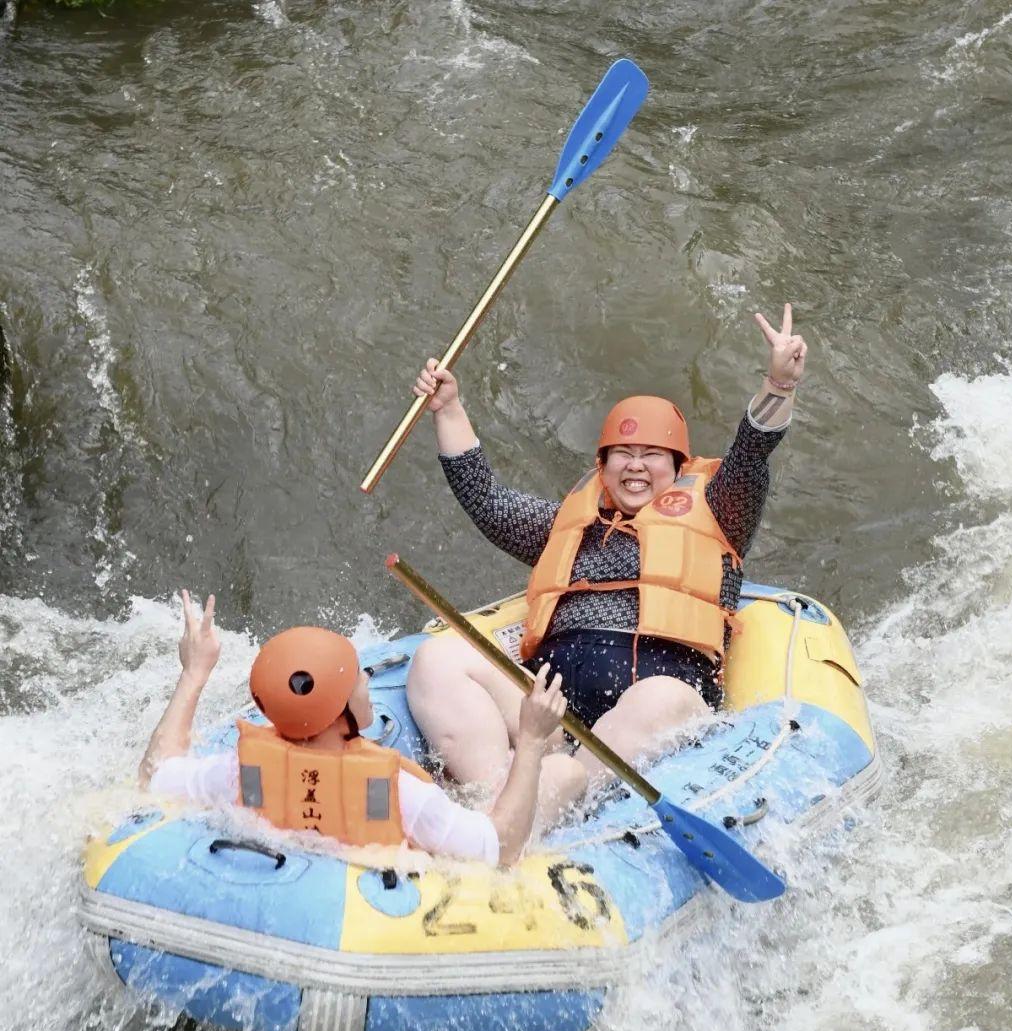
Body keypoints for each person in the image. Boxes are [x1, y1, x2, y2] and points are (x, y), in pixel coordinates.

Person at [406, 304, 807, 795]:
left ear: (678, 466)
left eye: (652, 455)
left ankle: (564, 800)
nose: (636, 466)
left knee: (659, 698)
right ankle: (497, 803)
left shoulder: (720, 510)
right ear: (603, 465)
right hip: (551, 720)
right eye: (623, 454)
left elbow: (750, 454)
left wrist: (778, 385)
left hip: (653, 706)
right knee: (437, 660)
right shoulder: (567, 525)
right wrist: (448, 407)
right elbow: (487, 500)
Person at [137, 591, 582, 867]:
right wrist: (530, 742)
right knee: (565, 773)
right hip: (371, 920)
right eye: (358, 678)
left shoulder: (241, 773)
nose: (368, 681)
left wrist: (194, 672)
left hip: (286, 880)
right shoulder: (398, 792)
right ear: (339, 709)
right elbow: (500, 851)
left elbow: (154, 772)